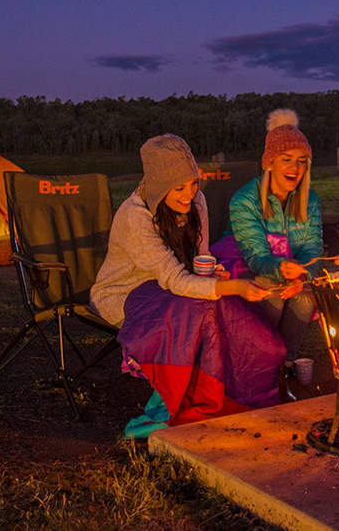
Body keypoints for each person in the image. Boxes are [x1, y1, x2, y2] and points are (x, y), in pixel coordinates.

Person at [90, 134, 283, 436]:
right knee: (197, 309)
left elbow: (200, 258)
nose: (189, 194)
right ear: (157, 186)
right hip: (126, 296)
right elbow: (175, 279)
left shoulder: (197, 202)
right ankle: (167, 401)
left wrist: (216, 274)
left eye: (193, 183)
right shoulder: (135, 216)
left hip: (173, 291)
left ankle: (230, 387)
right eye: (178, 188)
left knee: (225, 310)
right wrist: (236, 287)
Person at [212, 109, 323, 381]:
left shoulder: (309, 200)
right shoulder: (245, 201)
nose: (294, 168)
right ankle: (256, 361)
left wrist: (303, 274)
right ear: (270, 162)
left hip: (291, 271)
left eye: (301, 161)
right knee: (271, 295)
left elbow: (312, 249)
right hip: (245, 266)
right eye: (286, 159)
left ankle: (285, 363)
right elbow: (255, 255)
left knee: (305, 298)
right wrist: (281, 271)